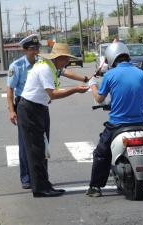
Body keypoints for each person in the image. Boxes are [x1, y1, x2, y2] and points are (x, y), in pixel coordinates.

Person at [86, 42, 143, 197]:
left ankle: (95, 187)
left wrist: (93, 86)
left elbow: (99, 99)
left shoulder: (110, 75)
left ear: (111, 58)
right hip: (141, 123)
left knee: (101, 153)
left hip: (117, 124)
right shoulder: (141, 73)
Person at [17, 43, 89, 198]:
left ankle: (45, 184)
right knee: (36, 150)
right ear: (59, 58)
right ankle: (39, 188)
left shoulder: (51, 66)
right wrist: (75, 89)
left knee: (42, 148)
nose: (67, 62)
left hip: (39, 108)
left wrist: (82, 81)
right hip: (30, 109)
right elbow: (53, 94)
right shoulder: (44, 68)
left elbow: (52, 91)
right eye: (66, 59)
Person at [7, 34, 41, 189]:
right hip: (23, 105)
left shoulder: (41, 64)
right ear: (25, 50)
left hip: (39, 105)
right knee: (25, 143)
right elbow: (10, 90)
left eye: (37, 48)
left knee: (41, 142)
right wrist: (11, 111)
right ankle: (26, 177)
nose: (36, 51)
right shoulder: (17, 66)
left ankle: (40, 176)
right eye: (32, 49)